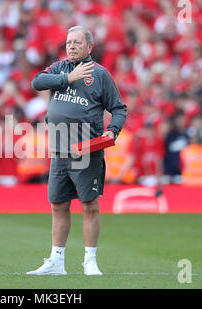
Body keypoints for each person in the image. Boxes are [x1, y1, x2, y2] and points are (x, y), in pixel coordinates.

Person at [26, 25, 127, 276]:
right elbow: (37, 82)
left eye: (77, 42)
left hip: (87, 150)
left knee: (89, 205)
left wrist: (112, 130)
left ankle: (90, 260)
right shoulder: (59, 69)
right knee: (58, 205)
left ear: (89, 47)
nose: (70, 46)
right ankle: (56, 261)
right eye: (68, 42)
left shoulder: (100, 75)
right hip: (59, 149)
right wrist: (67, 79)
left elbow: (119, 108)